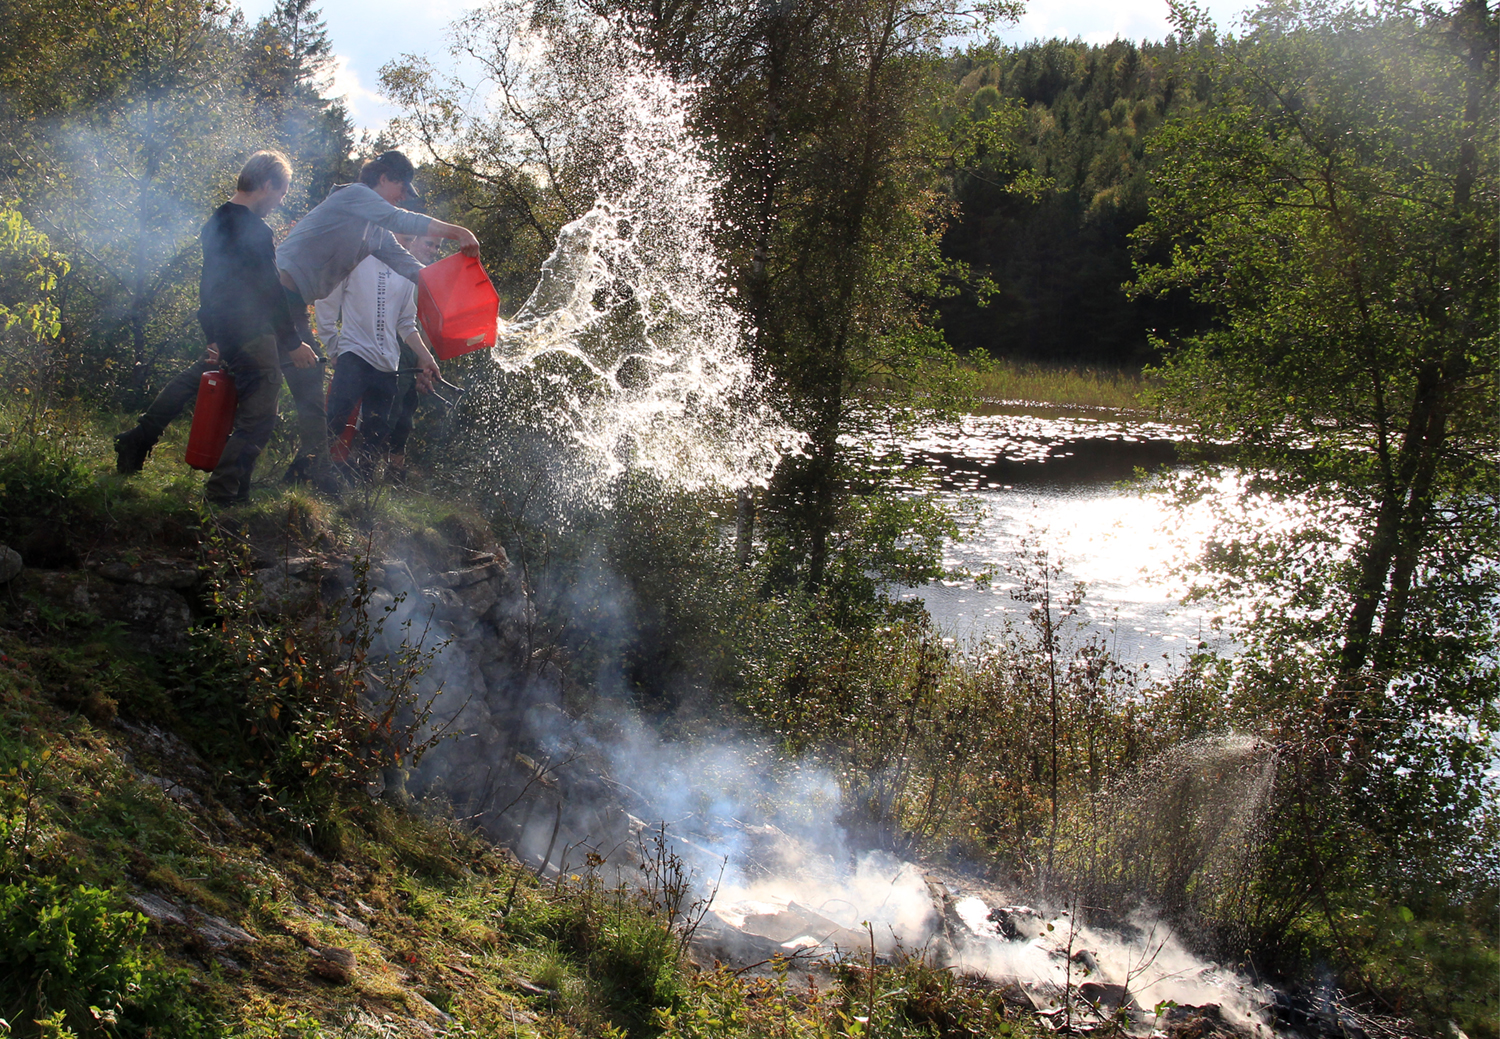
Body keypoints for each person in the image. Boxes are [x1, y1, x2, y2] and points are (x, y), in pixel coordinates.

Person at [275, 150, 479, 484]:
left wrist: (454, 292)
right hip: (276, 290)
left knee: (301, 386)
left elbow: (411, 268)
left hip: (294, 302)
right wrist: (459, 232)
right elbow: (401, 220)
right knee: (261, 377)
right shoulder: (353, 195)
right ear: (382, 178)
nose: (403, 196)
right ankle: (298, 477)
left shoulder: (374, 233)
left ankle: (306, 479)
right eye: (401, 187)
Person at [191, 151, 316, 505]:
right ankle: (221, 493)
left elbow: (207, 286)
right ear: (266, 185)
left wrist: (212, 335)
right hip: (251, 332)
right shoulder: (255, 229)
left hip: (228, 333)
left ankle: (240, 494)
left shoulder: (215, 221)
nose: (280, 201)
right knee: (259, 418)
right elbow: (271, 291)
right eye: (282, 192)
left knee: (247, 412)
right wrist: (293, 342)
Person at [316, 232, 441, 481]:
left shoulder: (407, 271)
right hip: (354, 354)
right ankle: (312, 472)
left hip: (387, 365)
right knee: (336, 420)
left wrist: (426, 357)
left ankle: (360, 488)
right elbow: (326, 303)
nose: (404, 244)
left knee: (377, 430)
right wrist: (334, 348)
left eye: (409, 240)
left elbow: (406, 323)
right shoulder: (357, 258)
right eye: (403, 238)